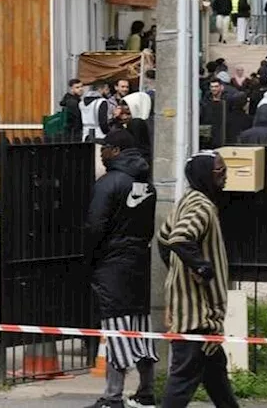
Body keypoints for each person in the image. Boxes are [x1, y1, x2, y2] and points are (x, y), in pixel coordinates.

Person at [156, 152, 240, 408]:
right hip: (198, 314)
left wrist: (176, 273)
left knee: (216, 377)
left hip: (196, 312)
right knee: (183, 380)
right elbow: (179, 238)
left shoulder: (188, 200)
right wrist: (203, 270)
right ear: (204, 174)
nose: (225, 176)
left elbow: (164, 238)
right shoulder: (201, 206)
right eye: (219, 171)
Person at [84, 130, 158, 408]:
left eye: (104, 149)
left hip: (112, 264)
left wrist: (89, 258)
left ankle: (113, 396)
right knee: (140, 326)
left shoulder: (109, 183)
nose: (101, 154)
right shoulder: (147, 184)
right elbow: (149, 226)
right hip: (139, 261)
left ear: (116, 151)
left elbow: (95, 225)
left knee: (115, 327)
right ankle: (146, 391)